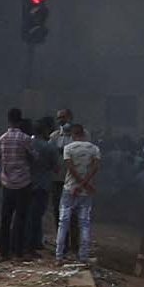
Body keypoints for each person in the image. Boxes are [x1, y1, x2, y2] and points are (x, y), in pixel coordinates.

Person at [56, 123, 101, 264]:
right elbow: (95, 168)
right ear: (84, 134)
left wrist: (78, 184)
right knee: (84, 223)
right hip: (86, 191)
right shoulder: (94, 149)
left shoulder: (68, 148)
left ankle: (59, 256)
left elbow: (70, 168)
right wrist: (85, 184)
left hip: (70, 188)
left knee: (63, 223)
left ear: (72, 135)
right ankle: (83, 256)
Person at [0, 108, 33, 259]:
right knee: (20, 217)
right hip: (23, 181)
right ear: (20, 120)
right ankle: (18, 250)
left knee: (5, 217)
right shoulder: (25, 138)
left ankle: (4, 251)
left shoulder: (2, 138)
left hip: (7, 181)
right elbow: (33, 156)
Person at [27, 116, 62, 253]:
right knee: (38, 214)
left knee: (28, 213)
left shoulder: (27, 144)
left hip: (26, 182)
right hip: (43, 184)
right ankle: (34, 242)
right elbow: (57, 168)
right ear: (45, 131)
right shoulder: (49, 147)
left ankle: (30, 240)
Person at [50, 109, 76, 238]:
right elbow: (49, 154)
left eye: (63, 117)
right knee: (57, 209)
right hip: (57, 178)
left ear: (70, 117)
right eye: (59, 118)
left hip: (74, 178)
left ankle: (74, 241)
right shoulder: (54, 136)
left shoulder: (80, 134)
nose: (61, 120)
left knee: (74, 211)